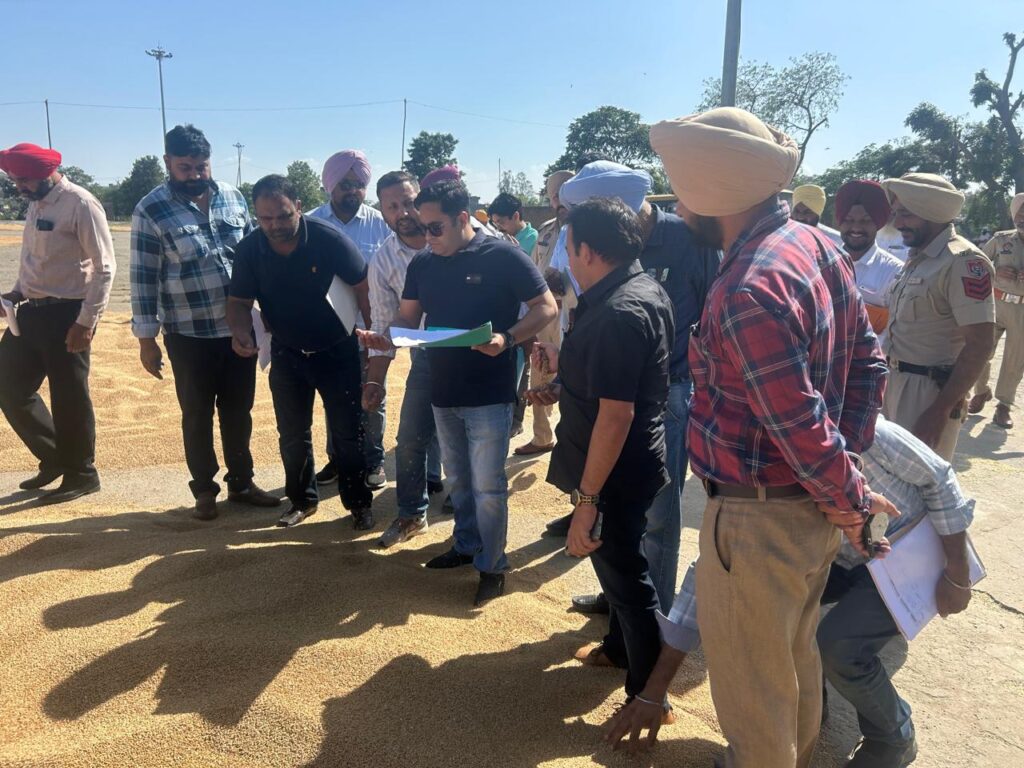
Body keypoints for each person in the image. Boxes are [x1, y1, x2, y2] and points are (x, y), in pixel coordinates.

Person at [650, 107, 889, 768]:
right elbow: (869, 366)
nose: (679, 207)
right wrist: (846, 477)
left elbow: (801, 428)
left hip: (757, 521)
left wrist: (850, 501)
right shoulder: (816, 245)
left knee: (755, 699)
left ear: (710, 191)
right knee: (792, 670)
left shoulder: (746, 290)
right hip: (805, 513)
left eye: (682, 190)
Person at [605, 415, 973, 768]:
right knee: (756, 604)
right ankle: (805, 712)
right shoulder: (767, 466)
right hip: (842, 557)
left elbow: (941, 478)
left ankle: (894, 736)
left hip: (907, 558)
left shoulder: (871, 434)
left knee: (839, 647)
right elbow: (711, 579)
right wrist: (654, 691)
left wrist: (957, 572)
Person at [544, 161, 721, 661]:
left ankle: (648, 635)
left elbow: (711, 314)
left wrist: (586, 498)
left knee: (651, 525)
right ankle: (623, 610)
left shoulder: (683, 245)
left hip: (661, 398)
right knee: (623, 535)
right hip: (628, 392)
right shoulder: (624, 280)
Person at [359, 180, 557, 605]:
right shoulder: (423, 264)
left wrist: (507, 337)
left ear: (463, 219)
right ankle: (466, 545)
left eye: (435, 228)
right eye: (423, 227)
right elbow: (407, 318)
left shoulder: (503, 256)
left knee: (488, 486)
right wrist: (385, 337)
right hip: (443, 389)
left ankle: (493, 565)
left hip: (489, 393)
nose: (426, 236)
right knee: (460, 481)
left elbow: (546, 307)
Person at [531, 196, 676, 717]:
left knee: (626, 578)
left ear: (588, 251)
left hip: (614, 470)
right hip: (622, 462)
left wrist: (588, 501)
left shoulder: (619, 312)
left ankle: (647, 696)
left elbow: (616, 416)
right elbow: (617, 379)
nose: (566, 258)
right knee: (616, 568)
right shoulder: (634, 289)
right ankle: (619, 650)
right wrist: (564, 372)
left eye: (569, 248)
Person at [130, 124, 280, 520]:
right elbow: (143, 277)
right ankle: (204, 490)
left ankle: (242, 483)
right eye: (186, 167)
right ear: (168, 162)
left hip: (238, 330)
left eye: (202, 166)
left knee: (239, 412)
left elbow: (257, 256)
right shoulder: (151, 209)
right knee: (197, 414)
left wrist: (267, 312)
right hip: (189, 333)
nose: (195, 174)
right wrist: (146, 339)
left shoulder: (232, 197)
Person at [226, 174, 373, 529]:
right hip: (287, 354)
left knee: (348, 433)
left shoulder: (329, 239)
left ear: (299, 207)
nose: (274, 225)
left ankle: (359, 503)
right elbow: (239, 301)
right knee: (292, 435)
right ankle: (302, 501)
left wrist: (371, 343)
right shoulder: (249, 249)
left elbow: (364, 288)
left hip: (338, 352)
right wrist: (240, 332)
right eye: (265, 218)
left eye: (283, 216)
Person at [0, 143, 115, 502]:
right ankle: (55, 458)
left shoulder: (80, 203)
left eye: (25, 180)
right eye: (15, 180)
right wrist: (15, 293)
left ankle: (82, 473)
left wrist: (86, 322)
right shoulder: (36, 203)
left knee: (69, 396)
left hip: (68, 315)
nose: (20, 187)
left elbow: (104, 267)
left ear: (47, 173)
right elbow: (36, 261)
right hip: (30, 312)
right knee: (8, 386)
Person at [881, 173, 996, 460]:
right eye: (896, 214)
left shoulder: (963, 262)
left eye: (906, 214)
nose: (898, 223)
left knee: (920, 479)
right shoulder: (917, 257)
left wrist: (940, 410)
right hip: (893, 382)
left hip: (929, 393)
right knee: (887, 477)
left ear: (930, 212)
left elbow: (980, 344)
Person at [363, 170, 445, 548]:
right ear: (382, 212)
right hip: (426, 356)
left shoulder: (459, 237)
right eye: (392, 206)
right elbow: (384, 327)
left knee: (471, 438)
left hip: (477, 352)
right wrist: (374, 380)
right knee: (410, 437)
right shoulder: (383, 261)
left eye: (409, 202)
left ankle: (472, 516)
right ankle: (412, 514)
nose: (404, 212)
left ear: (422, 198)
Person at [307, 150, 391, 490]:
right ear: (330, 185)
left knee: (372, 393)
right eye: (345, 184)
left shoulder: (380, 224)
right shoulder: (310, 223)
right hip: (327, 330)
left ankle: (373, 461)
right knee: (335, 398)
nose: (352, 190)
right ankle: (338, 459)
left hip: (371, 327)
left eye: (358, 184)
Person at [514, 170, 574, 457]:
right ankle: (542, 436)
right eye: (553, 196)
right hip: (546, 316)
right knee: (540, 374)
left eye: (562, 194)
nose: (557, 201)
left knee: (574, 377)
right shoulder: (547, 230)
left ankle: (572, 440)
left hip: (574, 315)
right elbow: (534, 271)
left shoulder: (590, 229)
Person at [968, 193, 1024, 429]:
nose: (1023, 217)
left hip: (1022, 311)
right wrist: (995, 272)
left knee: (1015, 360)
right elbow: (975, 263)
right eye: (1020, 212)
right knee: (980, 351)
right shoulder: (1001, 240)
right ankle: (981, 391)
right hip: (995, 305)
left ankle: (1003, 406)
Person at [835, 180, 904, 344]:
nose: (856, 228)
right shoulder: (821, 262)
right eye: (849, 220)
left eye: (865, 221)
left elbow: (896, 331)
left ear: (878, 223)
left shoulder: (894, 272)